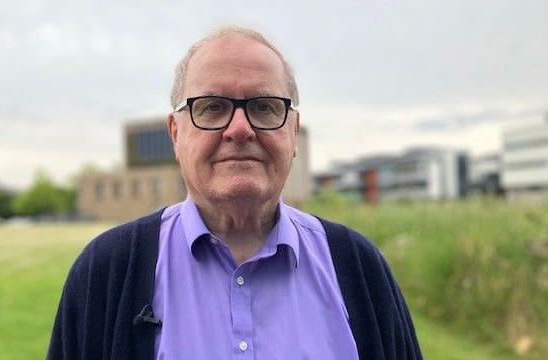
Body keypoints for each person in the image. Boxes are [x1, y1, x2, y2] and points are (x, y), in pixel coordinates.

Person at [47, 27, 422, 360]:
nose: (240, 129)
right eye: (211, 108)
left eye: (264, 107)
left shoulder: (358, 268)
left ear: (293, 132)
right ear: (176, 134)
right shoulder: (106, 272)